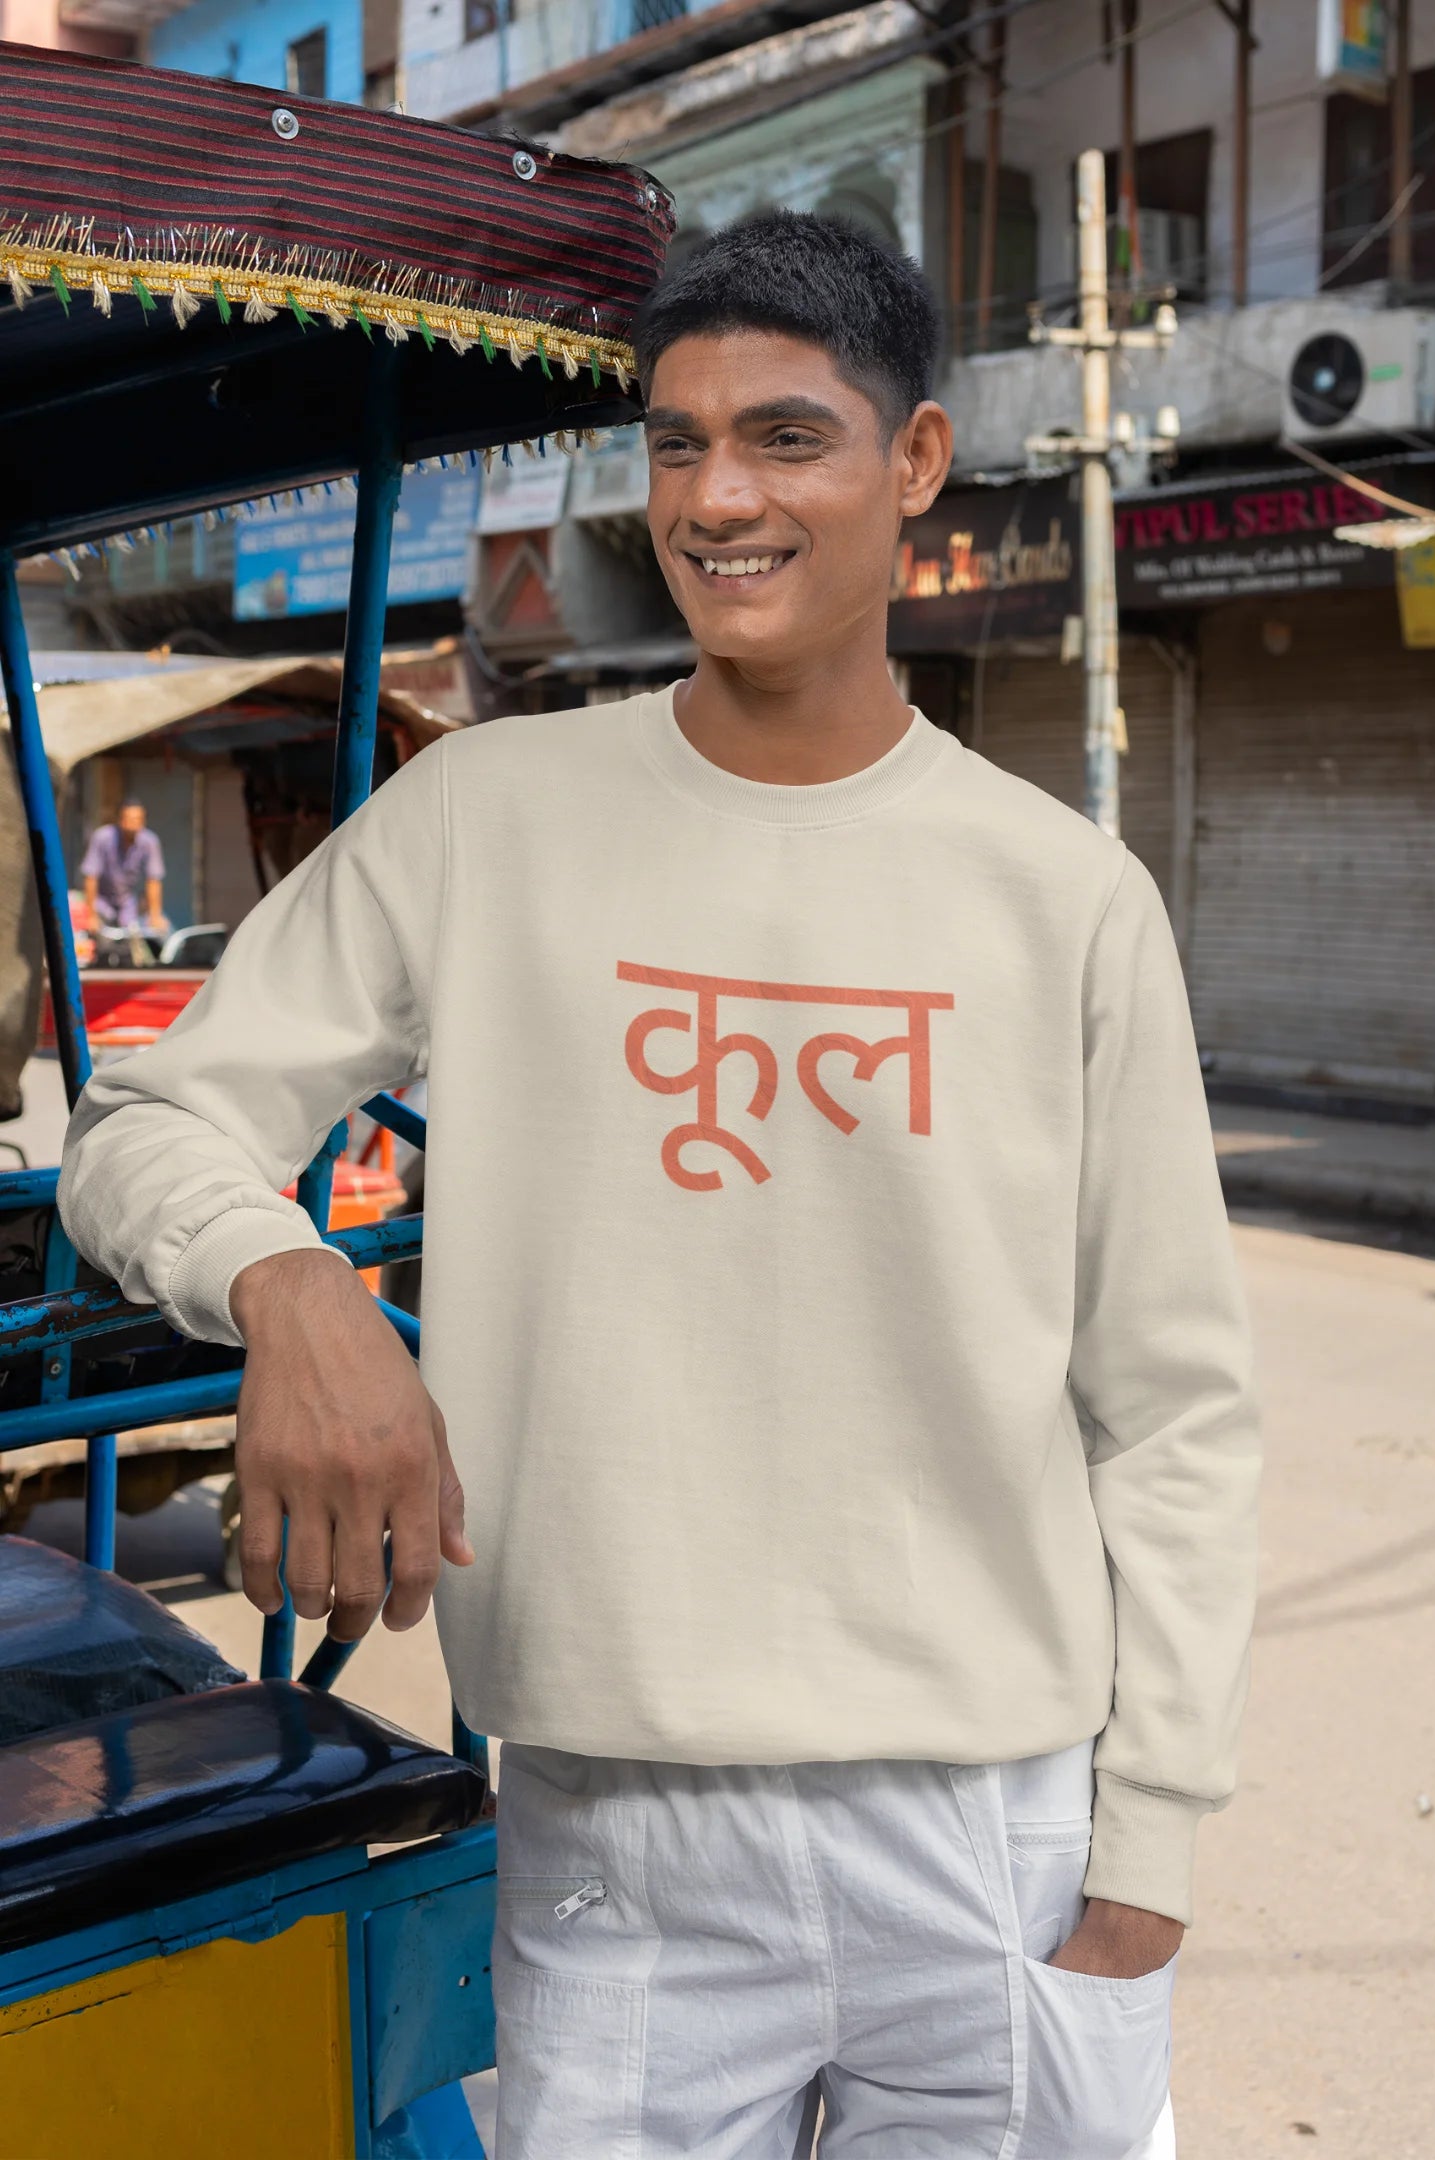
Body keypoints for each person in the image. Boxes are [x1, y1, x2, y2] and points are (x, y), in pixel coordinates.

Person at [58, 213, 1260, 2158]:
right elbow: (146, 1126)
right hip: (618, 1825)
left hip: (996, 1827)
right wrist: (293, 1284)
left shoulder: (1064, 897)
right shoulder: (488, 816)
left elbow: (1177, 1410)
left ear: (917, 462)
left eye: (786, 438)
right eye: (677, 443)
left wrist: (1152, 1857)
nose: (718, 500)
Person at [79, 798, 167, 935]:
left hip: (127, 902)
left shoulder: (149, 841)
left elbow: (153, 879)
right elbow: (91, 876)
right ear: (120, 820)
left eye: (138, 819)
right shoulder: (103, 837)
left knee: (141, 936)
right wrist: (91, 915)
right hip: (101, 900)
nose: (134, 824)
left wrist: (155, 915)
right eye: (130, 819)